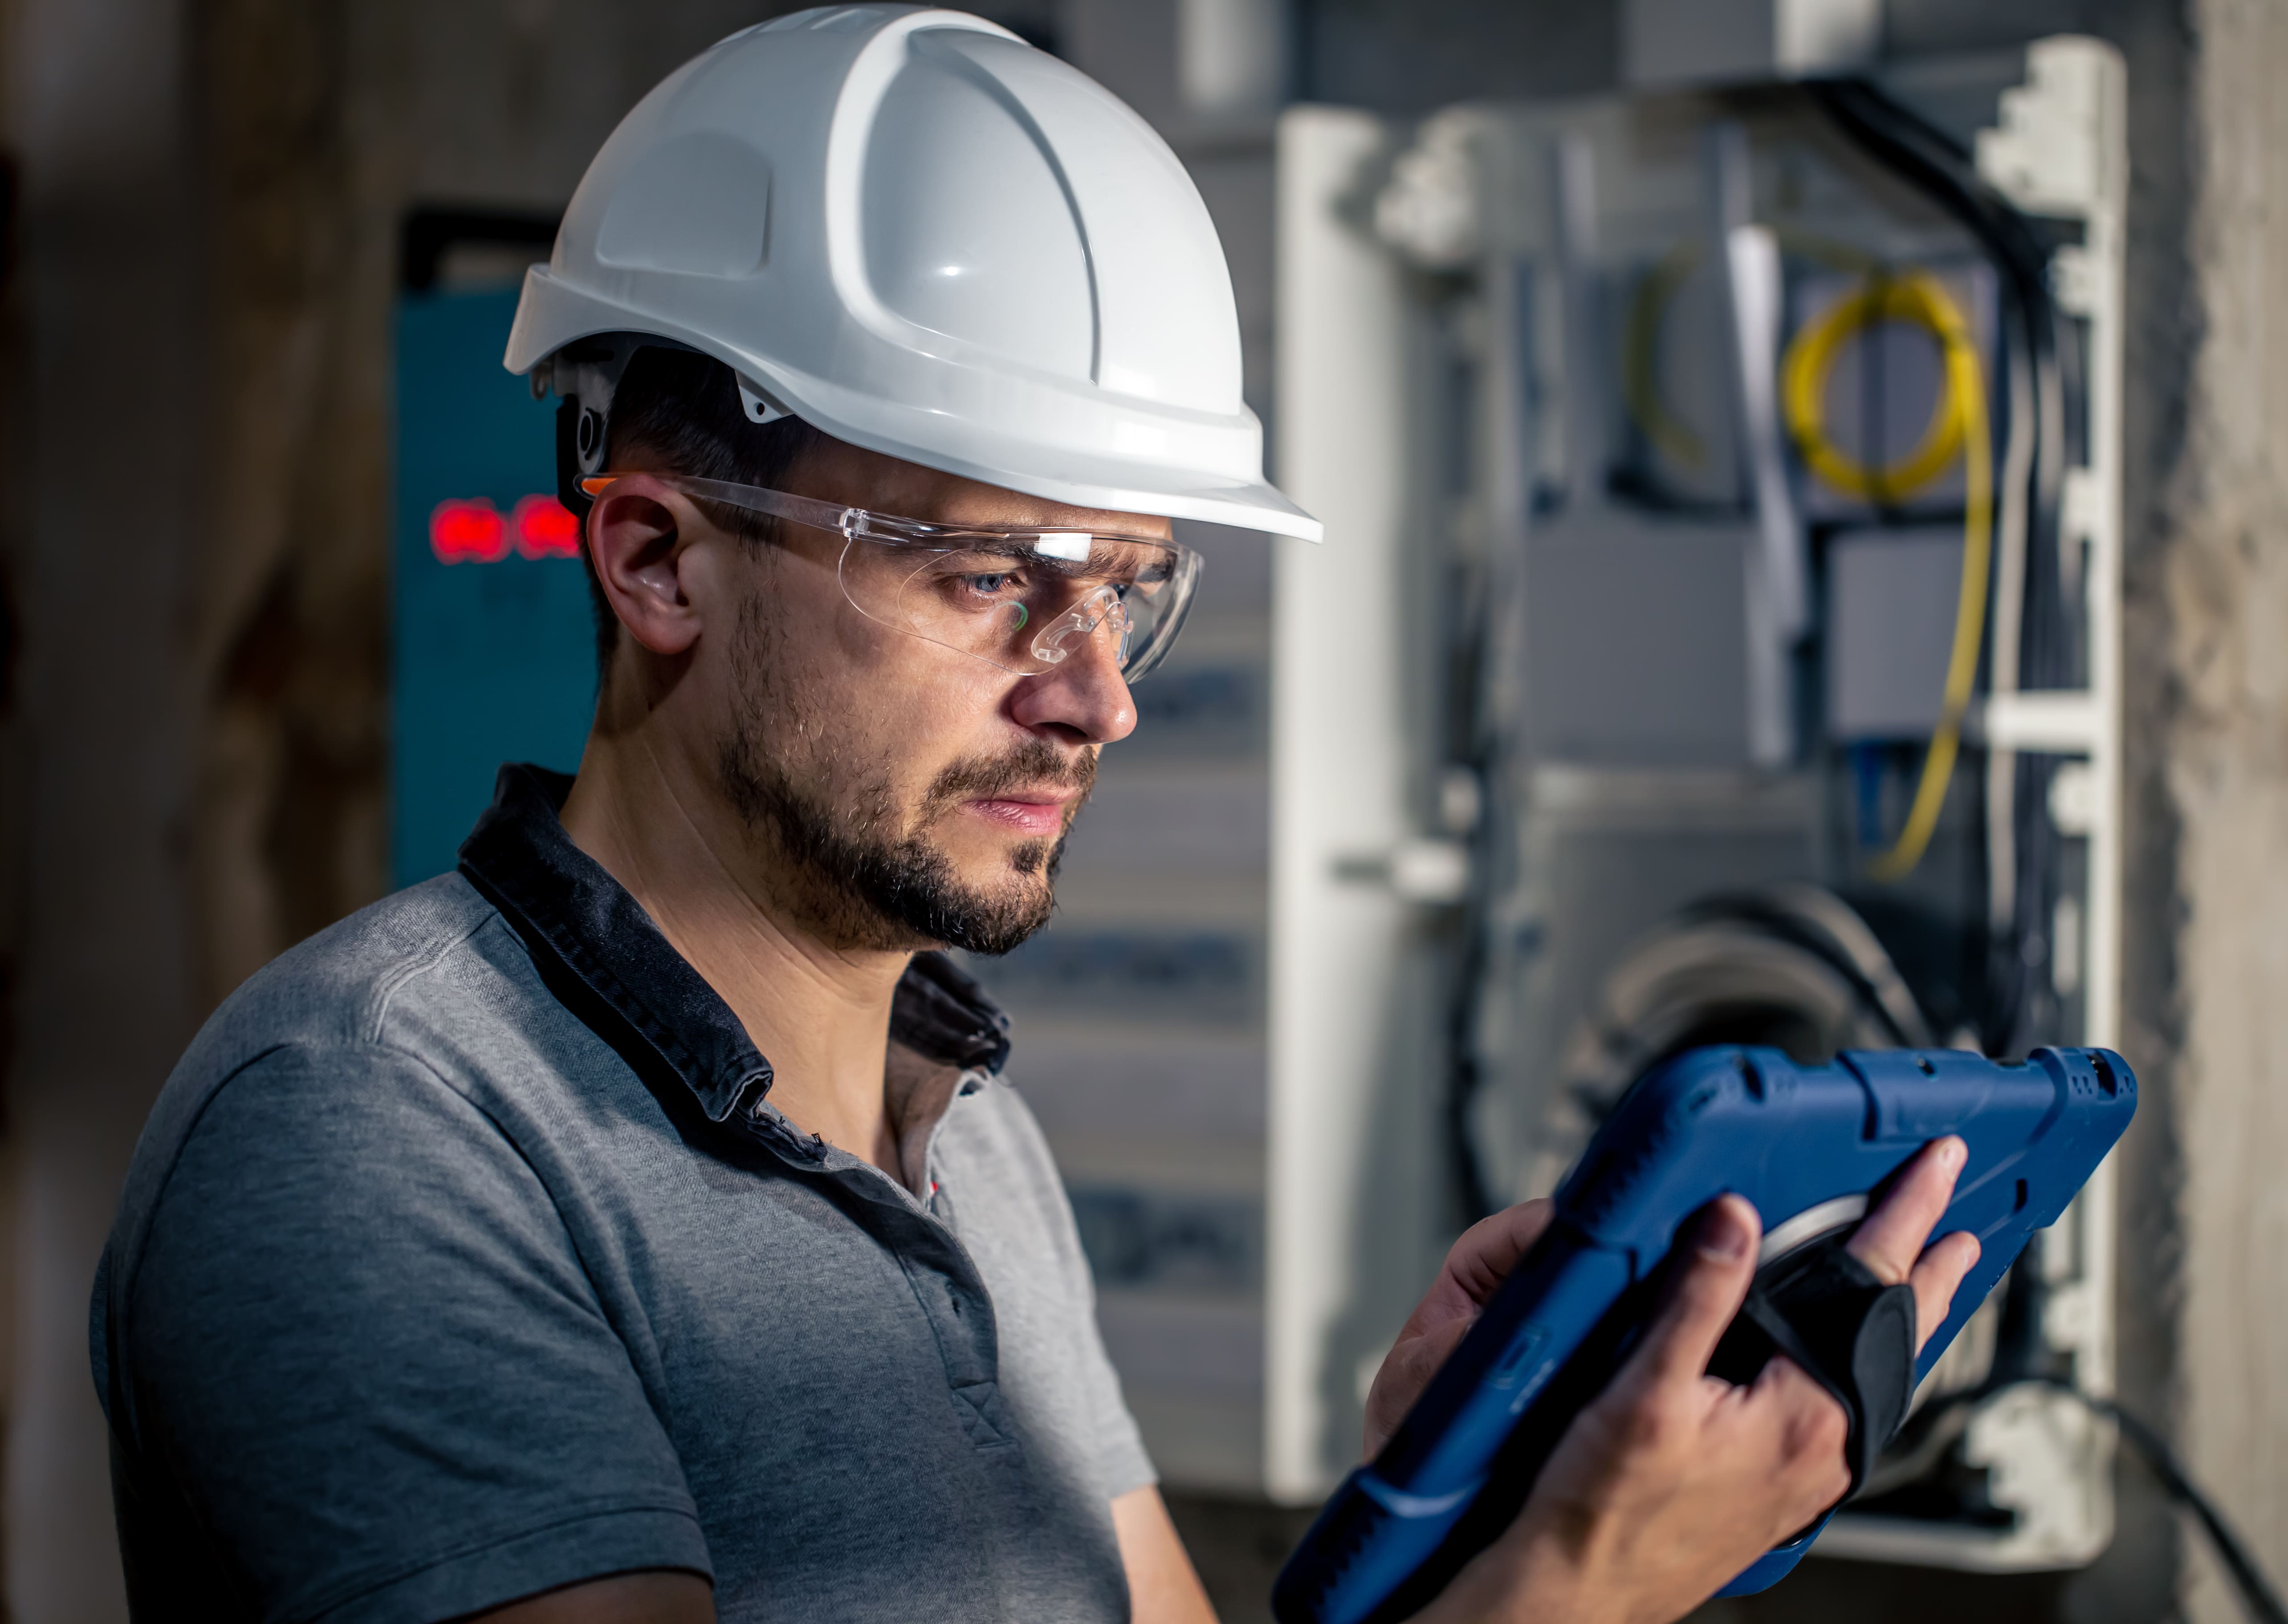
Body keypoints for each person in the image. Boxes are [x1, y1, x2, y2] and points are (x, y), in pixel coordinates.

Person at [91, 10, 1980, 1622]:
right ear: (660, 556)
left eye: (1128, 590)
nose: (1102, 694)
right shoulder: (376, 1136)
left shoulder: (965, 1132)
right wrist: (1561, 1594)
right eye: (994, 578)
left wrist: (1467, 1510)